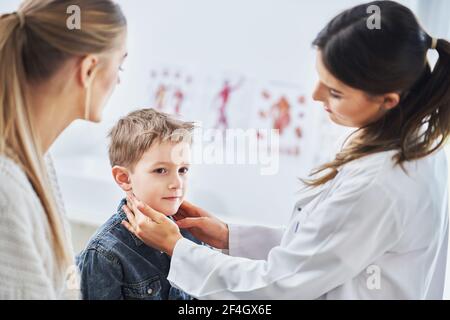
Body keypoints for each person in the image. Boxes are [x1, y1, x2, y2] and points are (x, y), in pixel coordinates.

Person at [121, 1, 450, 299]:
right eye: (319, 78)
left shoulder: (382, 182)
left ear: (387, 101)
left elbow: (280, 285)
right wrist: (228, 237)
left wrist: (176, 248)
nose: (315, 96)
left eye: (335, 92)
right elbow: (325, 250)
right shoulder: (408, 143)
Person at [0, 0, 127, 299]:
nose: (119, 79)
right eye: (119, 65)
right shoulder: (6, 190)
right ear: (88, 69)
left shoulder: (39, 160)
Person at [77, 108, 201, 300]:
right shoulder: (106, 253)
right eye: (161, 170)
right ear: (125, 178)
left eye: (183, 170)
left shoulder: (192, 233)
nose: (177, 183)